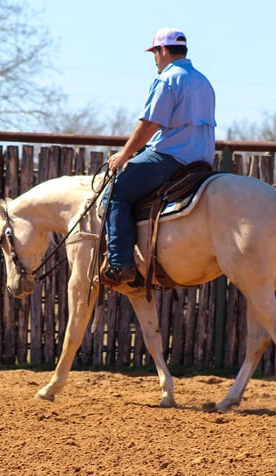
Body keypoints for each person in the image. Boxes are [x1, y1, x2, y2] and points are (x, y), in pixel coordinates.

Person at [102, 27, 216, 285]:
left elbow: (150, 124)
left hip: (170, 158)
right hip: (202, 162)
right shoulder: (203, 81)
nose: (154, 59)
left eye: (154, 52)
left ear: (163, 50)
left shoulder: (167, 79)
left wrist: (124, 155)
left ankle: (121, 264)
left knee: (115, 193)